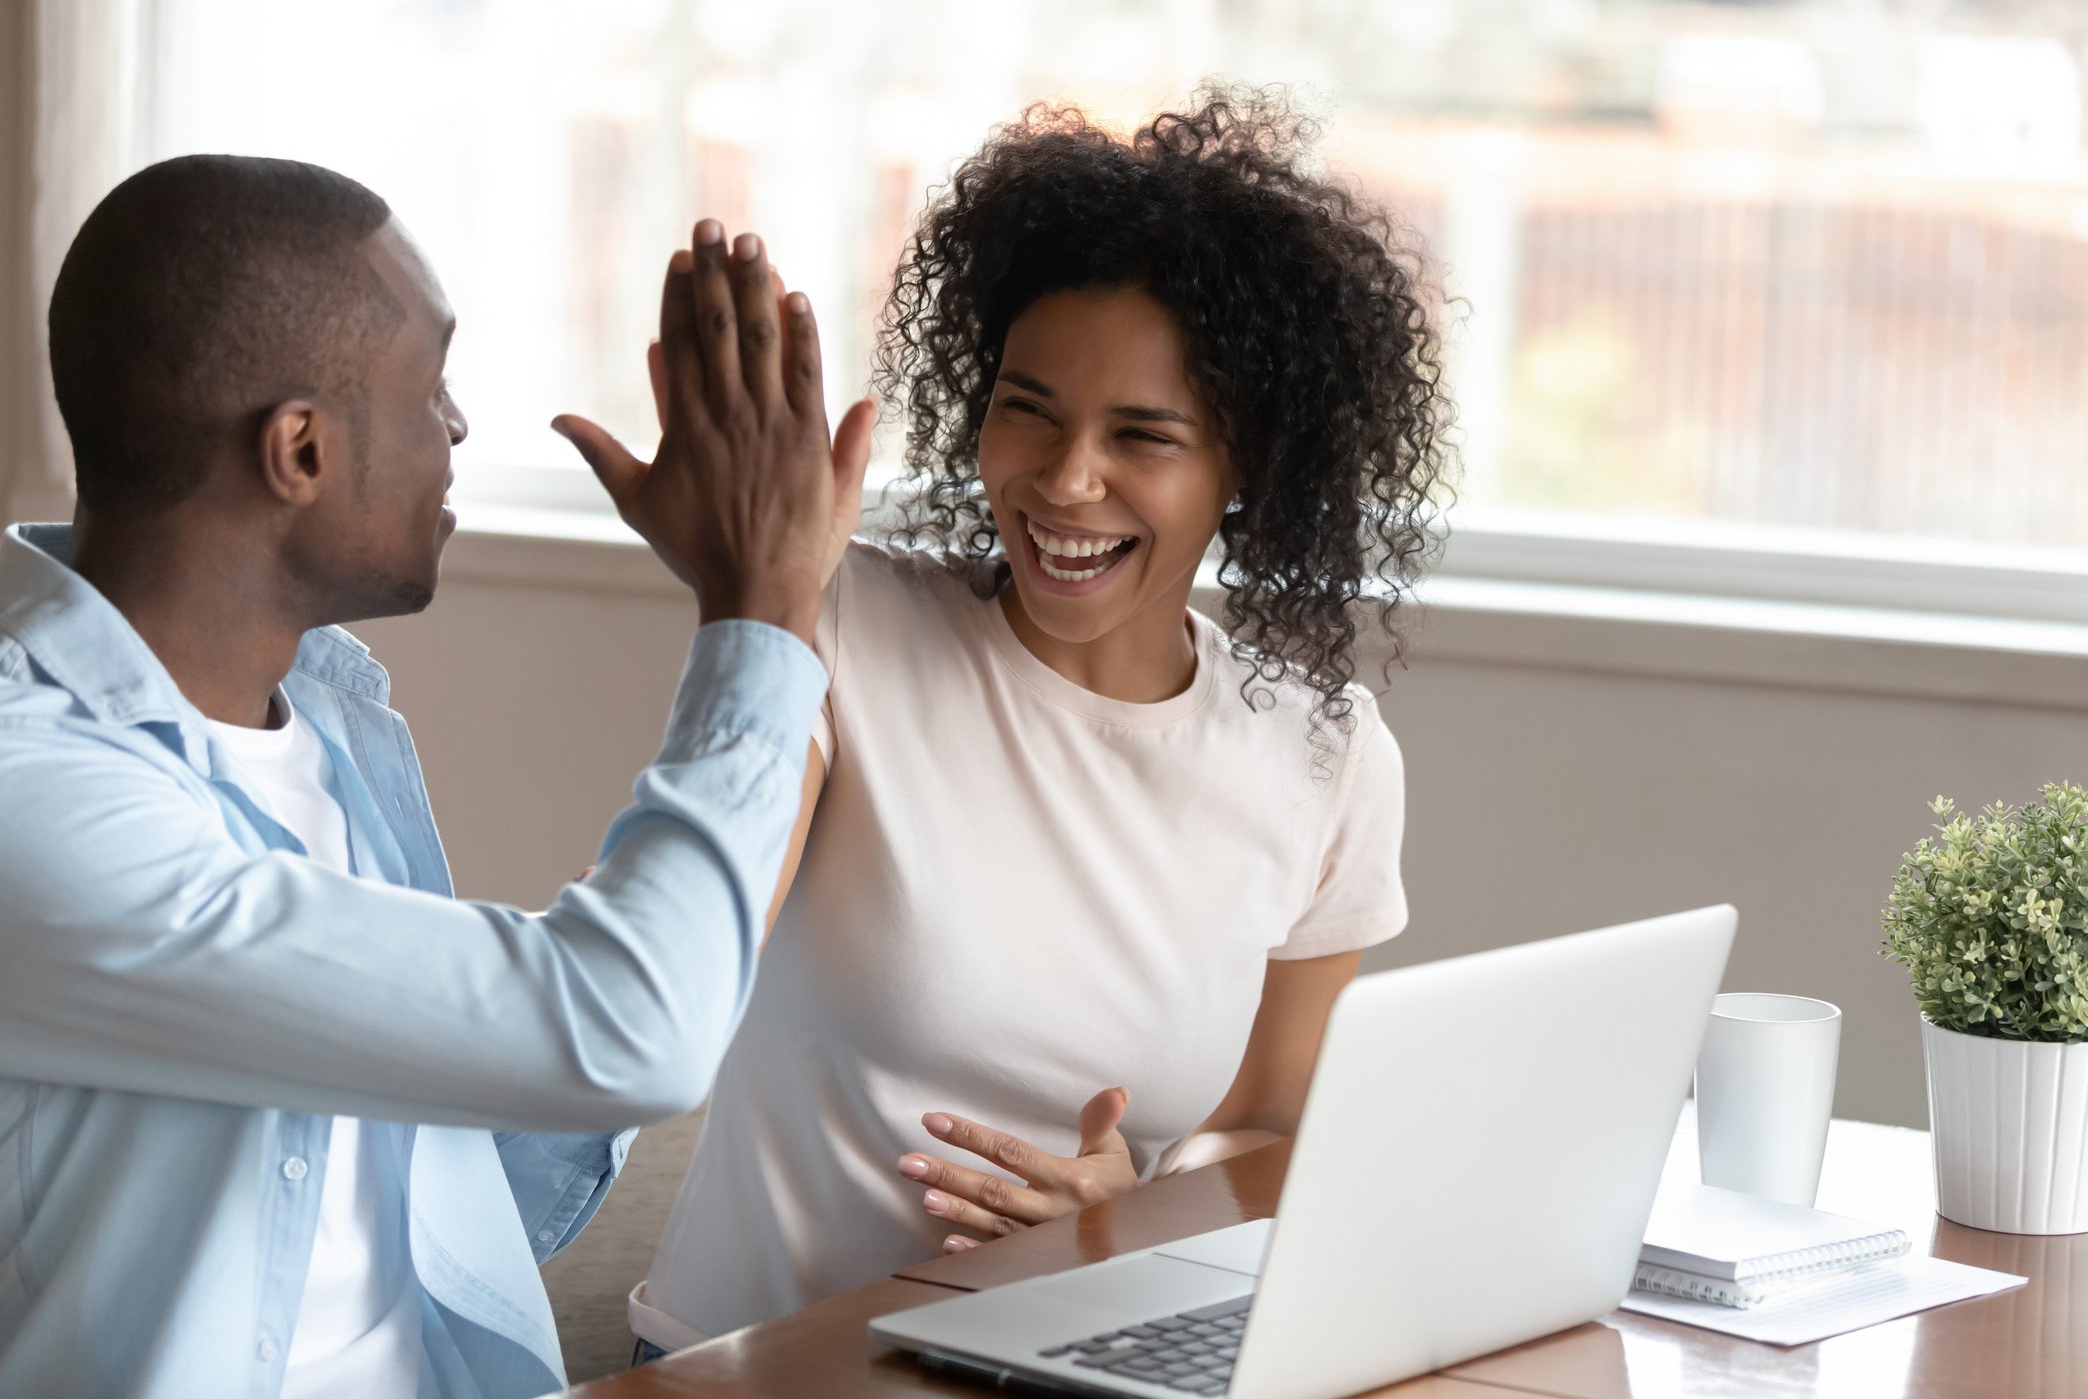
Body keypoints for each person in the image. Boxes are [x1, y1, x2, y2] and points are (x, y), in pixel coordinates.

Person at [0, 154, 871, 1398]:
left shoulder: (331, 728)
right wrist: (760, 613)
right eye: (431, 385)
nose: (457, 428)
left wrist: (655, 936)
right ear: (299, 449)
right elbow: (626, 1038)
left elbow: (468, 1184)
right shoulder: (34, 803)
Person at [632, 89, 1452, 1350]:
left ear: (1249, 468)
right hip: (755, 1368)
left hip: (1071, 1356)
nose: (1067, 481)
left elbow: (1273, 1126)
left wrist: (1134, 1208)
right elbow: (683, 960)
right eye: (1029, 408)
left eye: (1144, 435)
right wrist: (753, 596)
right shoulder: (840, 628)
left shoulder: (1325, 757)